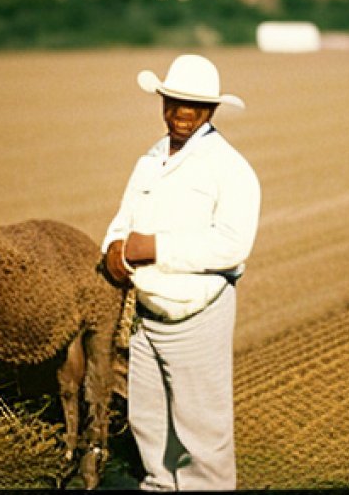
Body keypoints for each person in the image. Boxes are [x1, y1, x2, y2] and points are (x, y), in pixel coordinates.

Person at [101, 53, 261, 491]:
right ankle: (160, 486)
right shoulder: (150, 159)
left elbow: (232, 244)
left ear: (210, 110)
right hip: (148, 314)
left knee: (201, 431)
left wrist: (154, 248)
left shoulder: (230, 168)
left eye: (192, 106)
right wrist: (113, 247)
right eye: (173, 102)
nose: (180, 114)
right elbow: (123, 220)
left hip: (197, 314)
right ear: (163, 102)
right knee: (148, 420)